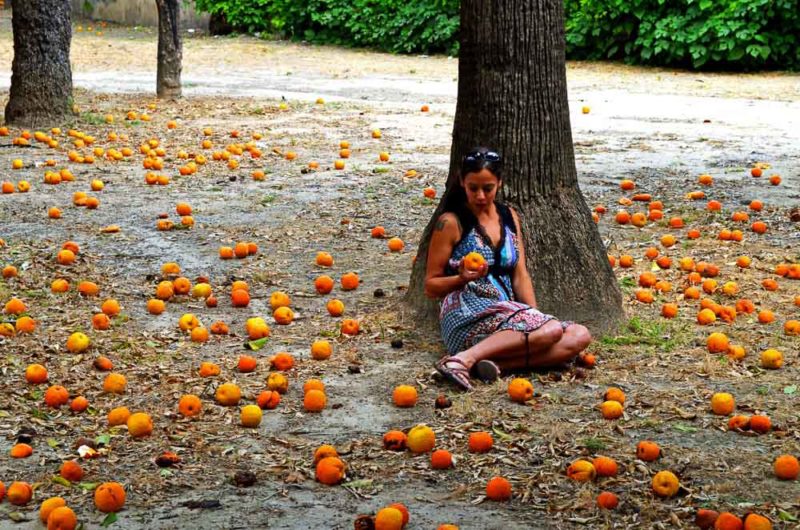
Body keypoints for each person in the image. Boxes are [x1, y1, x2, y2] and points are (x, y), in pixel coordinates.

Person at [425, 147, 592, 390]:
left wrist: (535, 319)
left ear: (499, 183)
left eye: (488, 188)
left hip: (508, 312)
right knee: (551, 331)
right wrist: (460, 278)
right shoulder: (450, 222)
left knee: (579, 335)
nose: (480, 196)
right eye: (473, 188)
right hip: (467, 313)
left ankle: (489, 363)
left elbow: (520, 273)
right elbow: (431, 286)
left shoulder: (510, 216)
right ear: (461, 182)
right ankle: (463, 358)